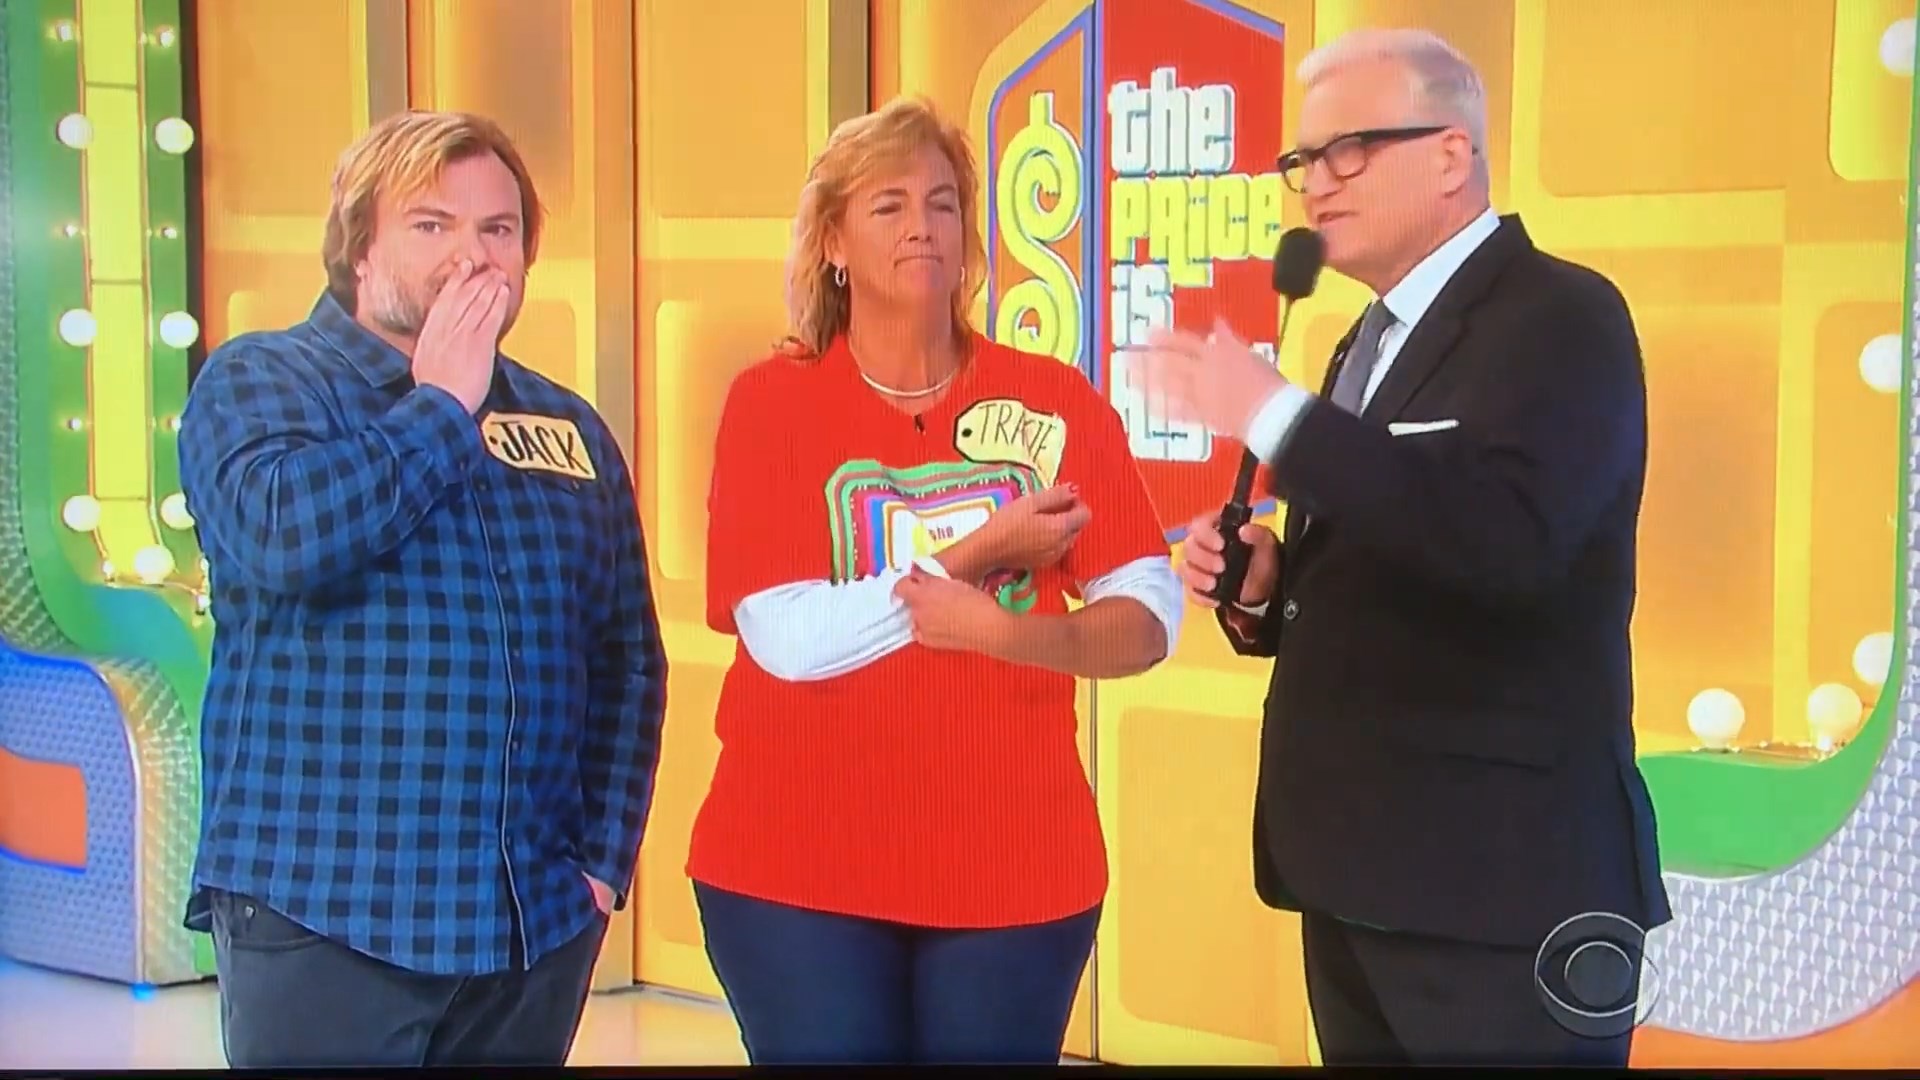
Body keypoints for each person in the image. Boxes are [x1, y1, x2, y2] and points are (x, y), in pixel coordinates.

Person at [1133, 29, 1670, 1067]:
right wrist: (1268, 586)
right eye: (1302, 160)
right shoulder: (1368, 337)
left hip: (1506, 886)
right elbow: (1399, 548)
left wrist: (1277, 416)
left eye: (1351, 150)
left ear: (1451, 154)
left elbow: (1511, 547)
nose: (1315, 183)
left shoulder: (1562, 315)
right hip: (1356, 874)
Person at [688, 96, 1182, 1066]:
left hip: (1015, 868)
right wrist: (974, 555)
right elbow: (789, 639)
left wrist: (1006, 633)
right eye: (889, 205)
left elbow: (1147, 616)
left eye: (944, 203)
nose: (923, 225)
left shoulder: (1052, 400)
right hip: (796, 867)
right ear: (833, 242)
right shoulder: (773, 404)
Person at [177, 110, 668, 1068]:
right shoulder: (262, 380)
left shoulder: (567, 427)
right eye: (432, 224)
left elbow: (626, 660)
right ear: (360, 247)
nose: (472, 255)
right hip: (325, 915)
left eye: (498, 229)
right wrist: (441, 405)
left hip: (530, 927)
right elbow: (284, 538)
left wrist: (601, 866)